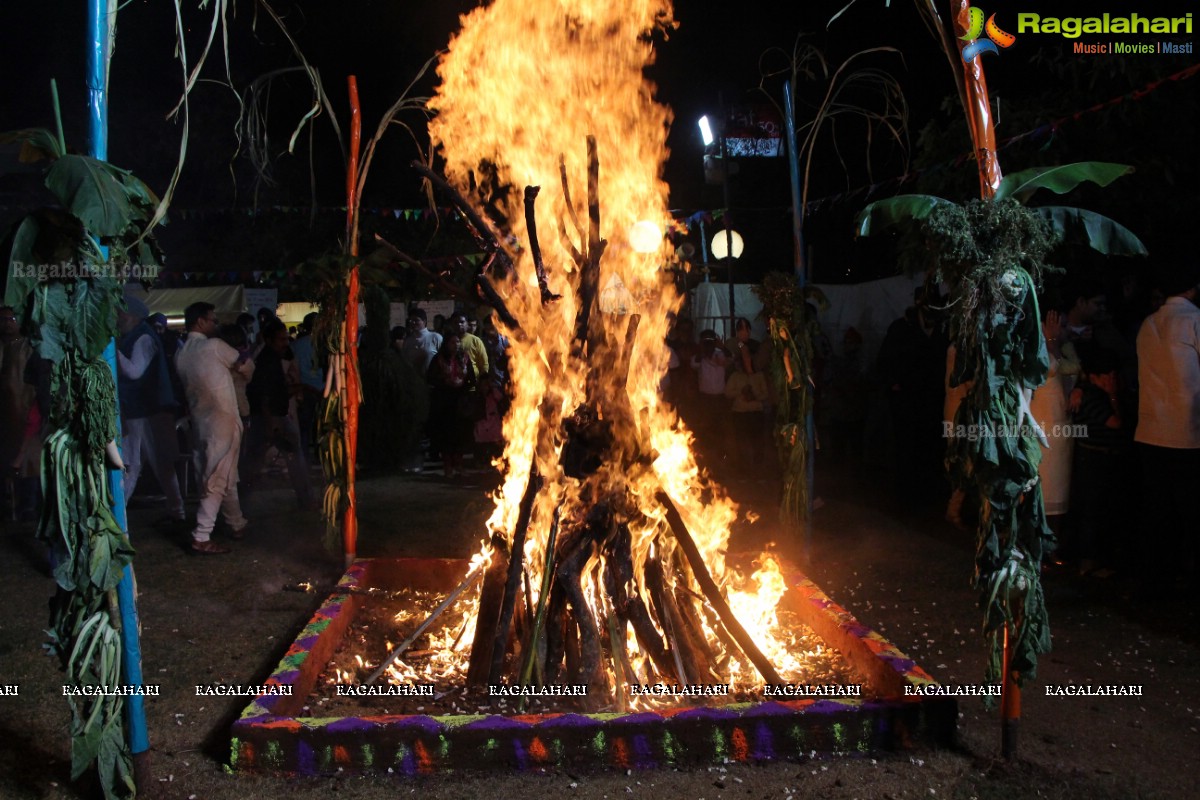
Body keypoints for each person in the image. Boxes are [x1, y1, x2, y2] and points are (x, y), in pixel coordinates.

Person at [1134, 266, 1200, 594]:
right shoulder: (1193, 320)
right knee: (1188, 509)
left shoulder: (1148, 323)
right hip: (1186, 431)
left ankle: (1154, 577)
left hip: (1149, 427)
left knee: (1156, 508)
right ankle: (1183, 576)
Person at [175, 302, 252, 553]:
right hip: (223, 420)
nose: (215, 325)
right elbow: (245, 366)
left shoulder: (181, 354)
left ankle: (236, 523)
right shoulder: (215, 347)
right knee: (218, 477)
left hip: (200, 423)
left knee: (222, 474)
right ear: (200, 322)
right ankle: (202, 534)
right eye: (213, 320)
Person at [116, 295, 186, 523]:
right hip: (143, 410)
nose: (118, 317)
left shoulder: (143, 338)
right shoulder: (138, 336)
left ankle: (119, 514)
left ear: (134, 316)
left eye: (121, 313)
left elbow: (134, 371)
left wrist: (112, 351)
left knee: (135, 463)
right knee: (145, 464)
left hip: (147, 411)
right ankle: (176, 510)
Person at [245, 319, 314, 509]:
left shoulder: (271, 358)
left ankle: (239, 503)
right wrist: (270, 423)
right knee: (257, 462)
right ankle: (238, 504)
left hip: (273, 417)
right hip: (272, 418)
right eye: (281, 340)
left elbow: (277, 391)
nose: (285, 343)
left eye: (286, 339)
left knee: (256, 462)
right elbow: (264, 395)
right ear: (268, 340)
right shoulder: (267, 361)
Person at [1030, 302, 1079, 534]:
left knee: (1059, 488)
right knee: (1041, 485)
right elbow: (1046, 369)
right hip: (1040, 425)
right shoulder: (1032, 343)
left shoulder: (1065, 345)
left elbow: (1073, 368)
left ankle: (1053, 543)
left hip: (1061, 427)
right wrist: (1050, 342)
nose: (1062, 328)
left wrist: (1056, 342)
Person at [0, 306, 37, 520]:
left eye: (11, 319)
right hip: (6, 414)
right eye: (3, 319)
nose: (7, 323)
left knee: (28, 461)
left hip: (25, 410)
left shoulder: (27, 346)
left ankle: (28, 505)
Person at [426, 333, 476, 478]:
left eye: (458, 342)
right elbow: (431, 378)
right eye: (453, 342)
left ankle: (459, 465)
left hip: (460, 402)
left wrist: (463, 384)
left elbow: (472, 379)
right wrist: (445, 381)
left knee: (459, 435)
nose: (456, 345)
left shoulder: (465, 359)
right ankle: (448, 466)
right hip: (444, 402)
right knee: (446, 435)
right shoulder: (439, 359)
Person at [289, 312, 324, 455]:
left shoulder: (296, 345)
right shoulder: (324, 344)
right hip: (321, 390)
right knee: (321, 427)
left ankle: (303, 457)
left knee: (304, 427)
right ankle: (319, 455)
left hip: (303, 390)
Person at [448, 311, 489, 381]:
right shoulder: (447, 341)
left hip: (472, 384)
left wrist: (483, 382)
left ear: (467, 324)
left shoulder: (476, 341)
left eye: (462, 322)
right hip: (452, 384)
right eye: (455, 322)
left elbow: (484, 365)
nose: (459, 324)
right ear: (451, 325)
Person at [401, 308, 442, 374]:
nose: (413, 323)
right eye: (411, 320)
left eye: (416, 320)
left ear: (424, 321)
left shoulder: (435, 337)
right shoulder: (408, 340)